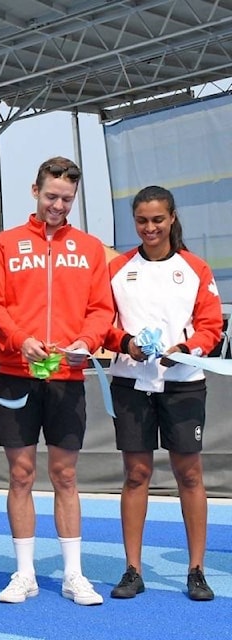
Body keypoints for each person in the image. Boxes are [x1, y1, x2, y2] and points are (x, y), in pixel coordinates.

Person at [0, 156, 114, 607]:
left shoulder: (91, 249)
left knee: (65, 475)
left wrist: (88, 340)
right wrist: (20, 340)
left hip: (67, 376)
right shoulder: (5, 244)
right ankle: (24, 574)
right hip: (17, 375)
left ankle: (74, 575)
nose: (58, 206)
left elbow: (102, 308)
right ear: (34, 190)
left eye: (67, 199)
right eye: (51, 196)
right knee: (20, 474)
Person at [104, 185, 222, 601]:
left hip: (184, 384)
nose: (149, 228)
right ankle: (132, 569)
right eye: (141, 221)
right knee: (136, 475)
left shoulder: (195, 268)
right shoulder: (118, 268)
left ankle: (196, 570)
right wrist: (125, 342)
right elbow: (103, 321)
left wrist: (188, 349)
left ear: (172, 218)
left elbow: (211, 325)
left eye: (157, 219)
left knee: (189, 474)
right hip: (131, 383)